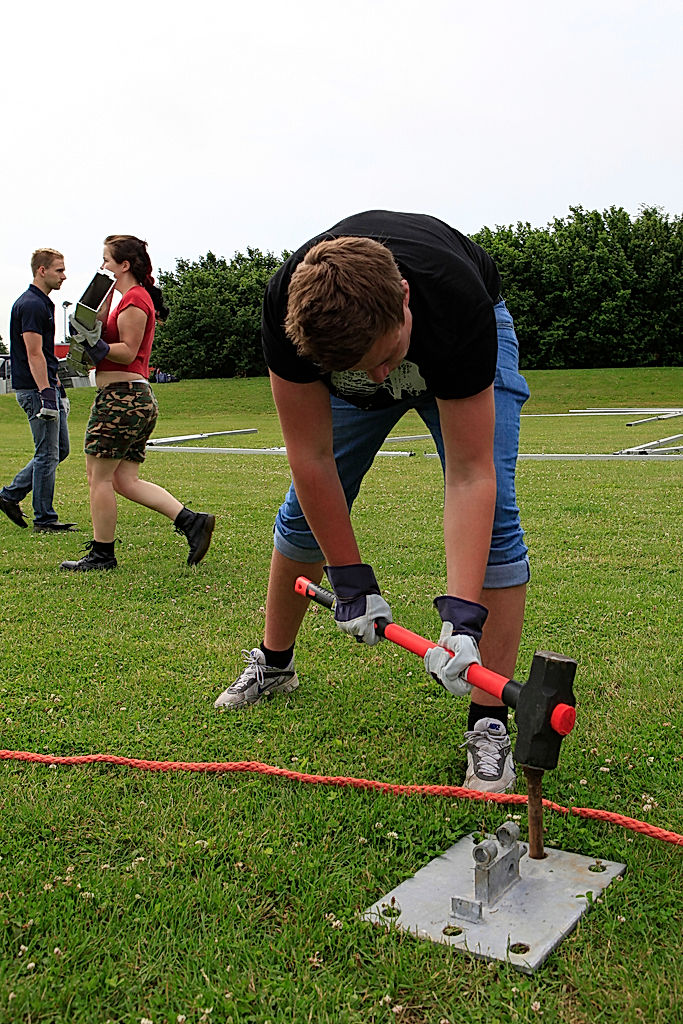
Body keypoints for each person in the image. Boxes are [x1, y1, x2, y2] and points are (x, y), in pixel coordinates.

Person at [213, 211, 531, 794]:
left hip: (460, 334)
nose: (383, 379)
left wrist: (462, 618)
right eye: (363, 370)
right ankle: (275, 663)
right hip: (368, 340)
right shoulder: (290, 312)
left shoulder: (453, 302)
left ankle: (489, 722)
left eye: (387, 359)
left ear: (405, 298)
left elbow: (469, 474)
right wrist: (349, 577)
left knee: (499, 523)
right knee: (299, 514)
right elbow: (311, 460)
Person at [60, 235, 215, 572]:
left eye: (107, 260)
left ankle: (102, 554)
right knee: (124, 480)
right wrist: (89, 337)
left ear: (124, 264)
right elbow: (107, 346)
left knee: (97, 478)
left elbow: (128, 351)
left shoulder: (134, 299)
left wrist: (97, 346)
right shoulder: (126, 298)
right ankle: (192, 522)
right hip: (133, 399)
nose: (102, 266)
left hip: (121, 400)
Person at [0, 249, 76, 533]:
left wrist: (58, 388)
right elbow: (34, 354)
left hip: (46, 387)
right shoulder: (31, 304)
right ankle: (44, 519)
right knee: (47, 453)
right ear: (41, 271)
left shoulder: (44, 303)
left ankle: (9, 495)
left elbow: (45, 354)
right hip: (35, 391)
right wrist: (46, 393)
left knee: (60, 450)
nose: (64, 276)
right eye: (59, 270)